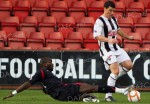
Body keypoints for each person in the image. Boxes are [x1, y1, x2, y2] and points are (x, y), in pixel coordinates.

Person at [3, 57, 134, 102]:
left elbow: (46, 87)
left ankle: (86, 98)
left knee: (87, 90)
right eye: (50, 62)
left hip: (61, 93)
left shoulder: (45, 74)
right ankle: (122, 91)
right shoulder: (41, 72)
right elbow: (27, 84)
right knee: (92, 87)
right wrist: (14, 93)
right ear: (44, 64)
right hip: (63, 90)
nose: (52, 64)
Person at [93, 0, 134, 102]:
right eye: (110, 10)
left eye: (113, 11)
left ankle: (112, 78)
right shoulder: (99, 21)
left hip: (116, 48)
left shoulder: (114, 19)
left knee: (129, 65)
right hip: (106, 50)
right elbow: (96, 36)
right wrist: (109, 40)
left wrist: (128, 37)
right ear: (105, 8)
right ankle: (108, 95)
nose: (112, 13)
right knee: (115, 71)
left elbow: (118, 30)